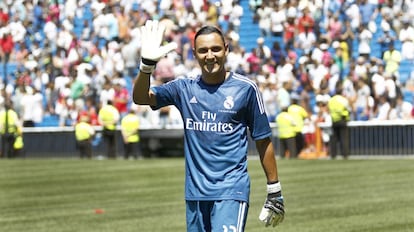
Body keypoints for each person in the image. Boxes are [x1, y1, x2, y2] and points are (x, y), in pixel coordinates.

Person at [133, 21, 285, 231]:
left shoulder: (246, 89)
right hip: (195, 194)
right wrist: (146, 66)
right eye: (203, 50)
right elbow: (141, 98)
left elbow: (262, 139)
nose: (210, 55)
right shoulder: (184, 88)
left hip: (231, 191)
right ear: (194, 53)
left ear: (226, 50)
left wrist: (274, 190)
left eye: (215, 49)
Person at [328, 83, 351, 159]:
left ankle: (333, 154)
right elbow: (347, 108)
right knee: (344, 138)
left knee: (333, 139)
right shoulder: (343, 100)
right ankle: (345, 155)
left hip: (334, 120)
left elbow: (329, 109)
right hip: (342, 119)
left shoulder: (331, 100)